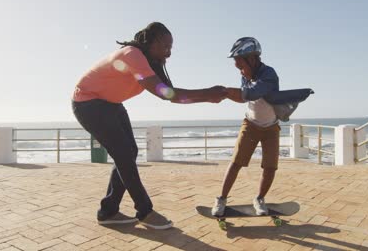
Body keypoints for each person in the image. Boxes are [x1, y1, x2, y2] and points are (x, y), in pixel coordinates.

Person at [72, 22, 227, 229]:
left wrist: (206, 97)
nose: (169, 53)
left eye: (171, 48)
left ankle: (108, 211)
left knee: (129, 152)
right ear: (151, 41)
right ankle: (144, 211)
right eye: (165, 46)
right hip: (89, 103)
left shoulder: (150, 62)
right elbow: (165, 94)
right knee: (124, 155)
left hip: (111, 104)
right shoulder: (132, 55)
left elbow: (171, 96)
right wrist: (207, 94)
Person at [212, 37, 289, 216]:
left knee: (270, 166)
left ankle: (260, 199)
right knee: (236, 162)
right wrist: (229, 90)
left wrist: (224, 91)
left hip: (271, 127)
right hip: (251, 124)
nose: (236, 65)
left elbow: (253, 93)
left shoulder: (269, 74)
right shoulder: (245, 73)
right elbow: (244, 98)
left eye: (238, 60)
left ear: (252, 58)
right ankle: (221, 199)